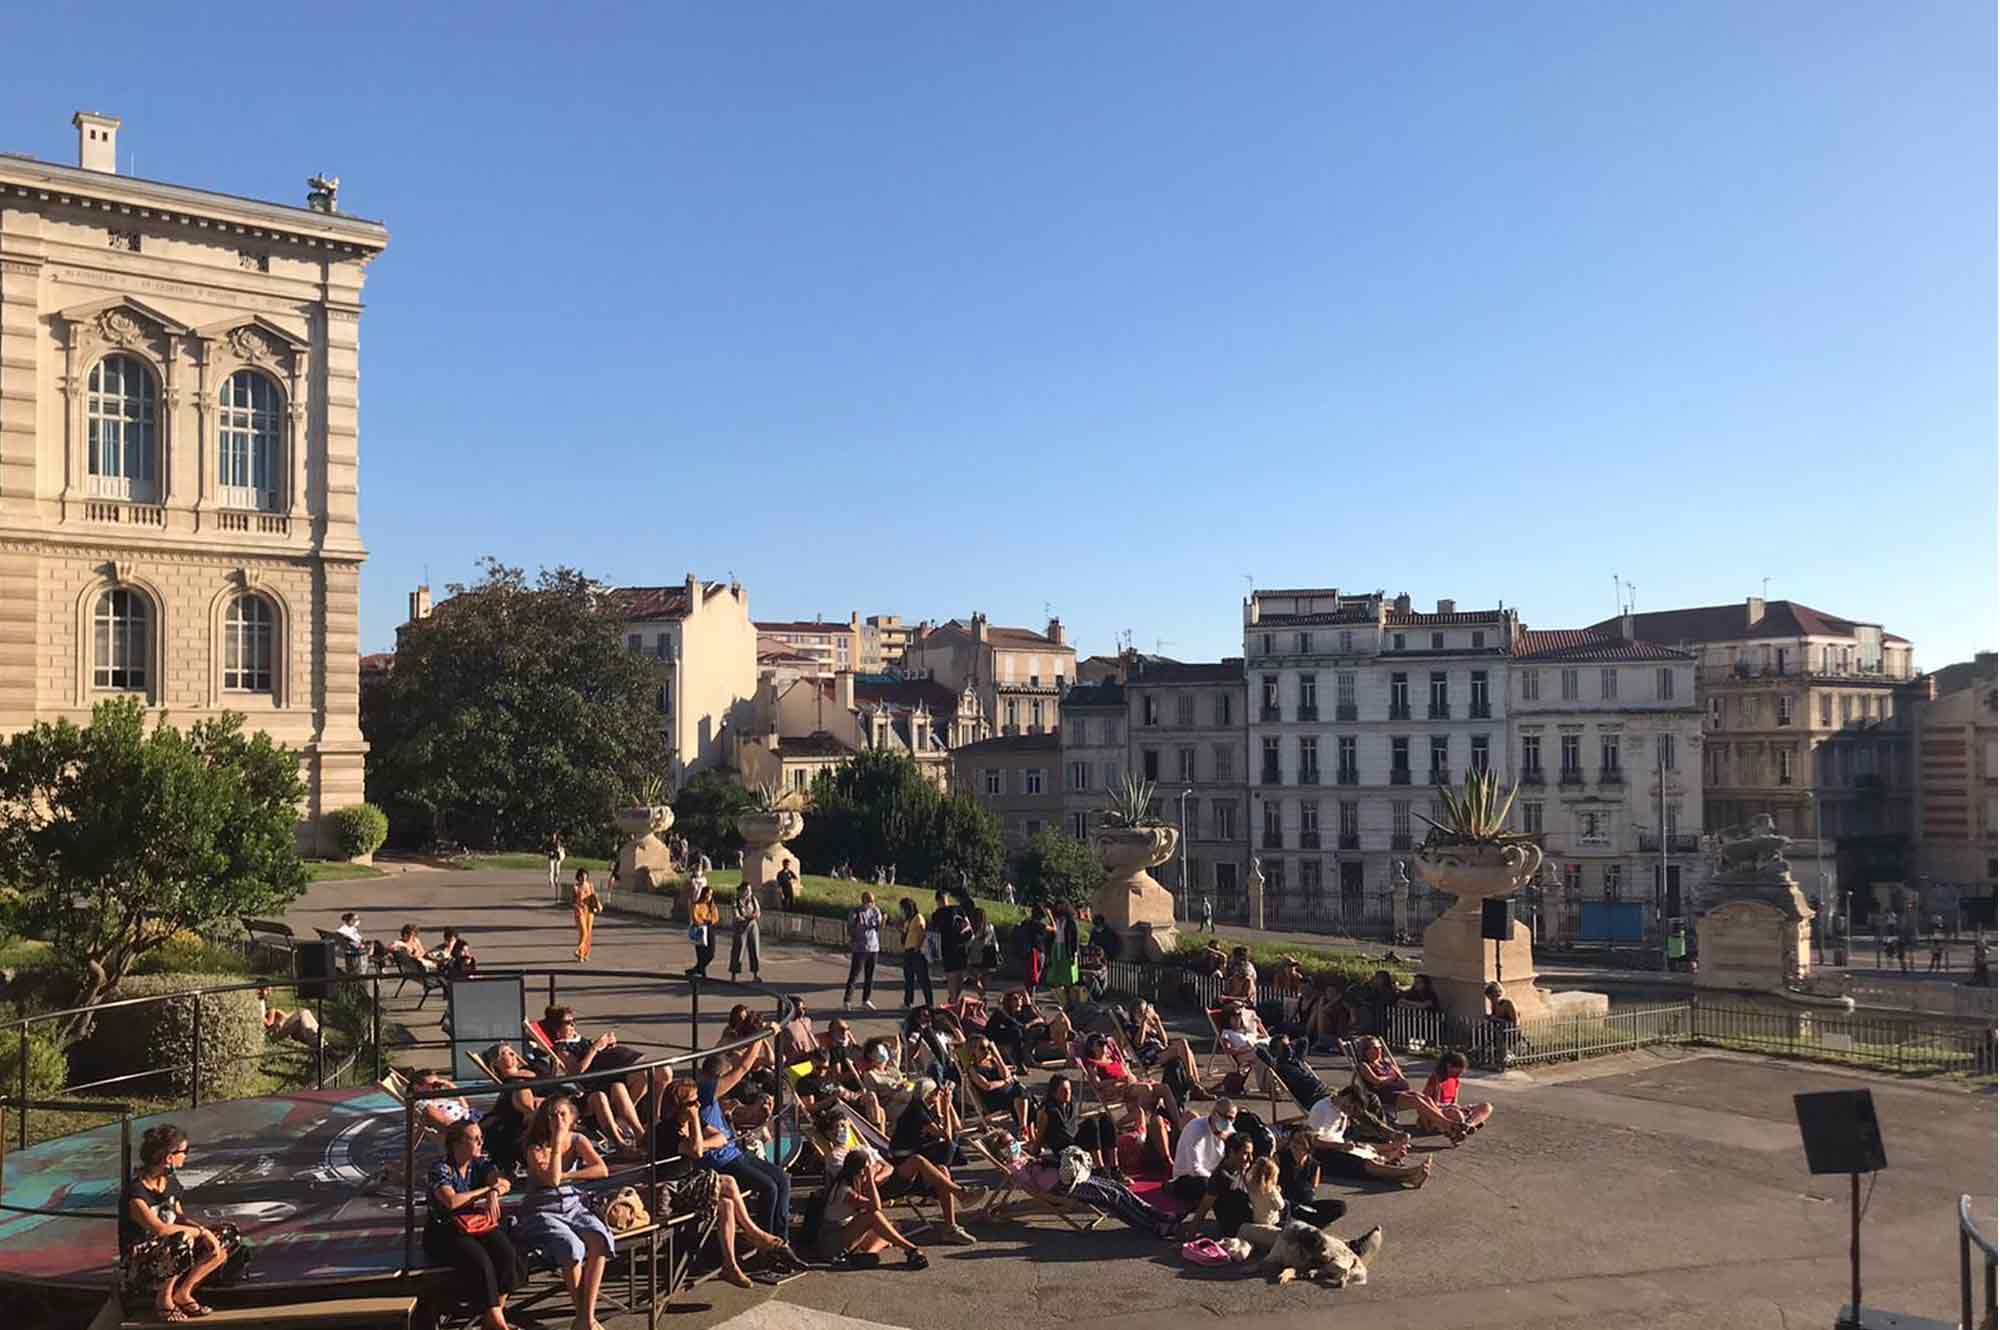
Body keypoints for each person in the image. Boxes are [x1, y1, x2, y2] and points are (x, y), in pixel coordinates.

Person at [656, 1079, 800, 1285]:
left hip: (690, 1185)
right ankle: (756, 1234)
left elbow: (720, 1138)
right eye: (692, 1103)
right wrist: (696, 1123)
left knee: (728, 1203)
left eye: (697, 1102)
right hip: (673, 1191)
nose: (697, 1106)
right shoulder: (667, 1130)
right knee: (730, 1183)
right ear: (679, 1107)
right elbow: (696, 1152)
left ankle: (730, 1265)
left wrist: (701, 1137)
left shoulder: (690, 1124)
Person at [122, 1124, 242, 1321]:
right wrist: (201, 1233)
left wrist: (204, 1231)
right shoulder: (137, 1193)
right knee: (181, 1237)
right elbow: (160, 1229)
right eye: (184, 1151)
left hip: (168, 1251)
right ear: (169, 1157)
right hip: (140, 1262)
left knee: (227, 1234)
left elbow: (178, 1217)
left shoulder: (171, 1183)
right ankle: (163, 1299)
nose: (186, 1156)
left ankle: (183, 1292)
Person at [515, 1095, 614, 1330]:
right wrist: (557, 1141)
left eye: (563, 1114)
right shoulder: (535, 1147)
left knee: (599, 1237)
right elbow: (552, 1178)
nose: (558, 1119)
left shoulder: (578, 1139)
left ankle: (585, 1316)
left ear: (573, 1119)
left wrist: (571, 1176)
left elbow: (601, 1169)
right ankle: (584, 1318)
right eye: (553, 1115)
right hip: (542, 1208)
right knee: (571, 1246)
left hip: (572, 1202)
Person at [982, 1130, 1181, 1239]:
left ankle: (1156, 1213)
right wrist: (1052, 1200)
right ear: (1002, 1151)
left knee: (1117, 1188)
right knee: (1111, 1198)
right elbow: (1035, 1190)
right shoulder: (1015, 1169)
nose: (1015, 1144)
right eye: (1010, 1143)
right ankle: (1154, 1226)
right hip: (1063, 1186)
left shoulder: (1021, 1158)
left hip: (1071, 1175)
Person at [426, 1120, 521, 1330]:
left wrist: (494, 1192)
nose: (480, 1142)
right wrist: (485, 1191)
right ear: (457, 1144)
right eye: (474, 1138)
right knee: (481, 1261)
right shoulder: (441, 1168)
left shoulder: (480, 1163)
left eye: (481, 1138)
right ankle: (497, 1322)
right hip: (446, 1230)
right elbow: (451, 1201)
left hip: (476, 1224)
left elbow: (503, 1182)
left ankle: (494, 1316)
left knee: (507, 1254)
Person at [695, 1039, 793, 1240]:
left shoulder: (713, 1098)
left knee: (782, 1178)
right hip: (721, 1159)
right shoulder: (706, 1090)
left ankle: (781, 1239)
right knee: (769, 1187)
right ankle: (767, 1242)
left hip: (735, 1152)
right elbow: (743, 1067)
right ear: (719, 1077)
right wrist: (759, 1037)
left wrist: (731, 1116)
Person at [816, 1139, 929, 1269]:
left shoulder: (852, 1183)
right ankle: (911, 1249)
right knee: (873, 1216)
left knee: (893, 1226)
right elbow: (876, 1207)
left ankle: (866, 1254)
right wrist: (871, 1177)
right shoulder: (846, 1191)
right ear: (860, 1171)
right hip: (831, 1242)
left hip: (845, 1233)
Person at [1354, 1037, 1465, 1142]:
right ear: (1365, 1051)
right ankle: (1447, 1125)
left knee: (1425, 1098)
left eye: (1379, 1047)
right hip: (1385, 1097)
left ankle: (1447, 1127)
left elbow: (1399, 1077)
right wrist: (1392, 1077)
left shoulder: (1386, 1063)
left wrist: (1393, 1076)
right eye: (1373, 1048)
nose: (1377, 1050)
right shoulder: (1364, 1066)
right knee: (1416, 1101)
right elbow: (1377, 1081)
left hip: (1400, 1093)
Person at [1032, 1074, 1121, 1178]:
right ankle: (1099, 1169)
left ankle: (1115, 1168)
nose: (1068, 1093)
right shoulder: (1046, 1110)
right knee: (1090, 1124)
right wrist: (1033, 1154)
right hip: (1065, 1148)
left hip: (1075, 1139)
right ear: (1054, 1093)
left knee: (1106, 1120)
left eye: (1069, 1089)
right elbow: (1040, 1136)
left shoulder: (1071, 1103)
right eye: (1063, 1090)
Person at [1180, 1132, 1255, 1238]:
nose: (1250, 1158)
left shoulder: (1243, 1170)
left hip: (1253, 1222)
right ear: (1232, 1152)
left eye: (1251, 1154)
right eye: (1246, 1153)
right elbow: (1204, 1208)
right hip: (1240, 1231)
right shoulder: (1220, 1177)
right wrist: (1190, 1238)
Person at [1275, 1127, 1347, 1227]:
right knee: (1294, 1209)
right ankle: (1311, 1223)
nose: (1294, 1144)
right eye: (1293, 1140)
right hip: (1287, 1204)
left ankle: (1309, 1223)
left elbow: (1313, 1187)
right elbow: (1272, 1183)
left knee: (1341, 1207)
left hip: (1307, 1204)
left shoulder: (1314, 1165)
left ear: (1309, 1146)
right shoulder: (1280, 1158)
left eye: (1300, 1142)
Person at [1170, 1097, 1236, 1207]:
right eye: (1226, 1117)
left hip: (1214, 1175)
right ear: (1214, 1113)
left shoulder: (1230, 1131)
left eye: (1232, 1119)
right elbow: (1195, 1169)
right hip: (1188, 1177)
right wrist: (1217, 1181)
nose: (1228, 1122)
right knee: (1206, 1185)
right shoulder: (1196, 1129)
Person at [964, 1034, 1032, 1135]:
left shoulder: (993, 1061)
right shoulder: (973, 1068)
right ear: (973, 1050)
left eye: (989, 1047)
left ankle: (1025, 1129)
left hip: (1008, 1095)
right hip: (993, 1100)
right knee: (1020, 1093)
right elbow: (987, 1086)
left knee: (1025, 1096)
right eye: (982, 1048)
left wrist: (997, 1055)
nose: (987, 1050)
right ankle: (1026, 1131)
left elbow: (1006, 1074)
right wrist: (1004, 1082)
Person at [1423, 1050, 1493, 1132]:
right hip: (1438, 1113)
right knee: (1457, 1114)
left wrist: (1459, 1108)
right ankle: (1462, 1126)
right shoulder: (1436, 1079)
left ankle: (1469, 1125)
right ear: (1449, 1066)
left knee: (1487, 1106)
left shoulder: (1456, 1081)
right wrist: (1450, 1107)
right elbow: (1426, 1104)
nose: (1459, 1075)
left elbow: (1454, 1102)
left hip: (1452, 1111)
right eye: (1458, 1071)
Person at [843, 891, 883, 1011]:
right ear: (864, 901)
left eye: (873, 901)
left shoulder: (876, 911)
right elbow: (850, 928)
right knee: (854, 975)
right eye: (870, 901)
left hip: (873, 947)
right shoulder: (855, 912)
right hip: (860, 948)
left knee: (869, 976)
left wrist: (883, 920)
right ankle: (847, 1000)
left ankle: (866, 1000)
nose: (872, 904)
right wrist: (853, 939)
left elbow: (878, 926)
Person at [933, 890, 973, 1003]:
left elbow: (935, 931)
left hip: (948, 947)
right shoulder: (958, 910)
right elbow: (968, 925)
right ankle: (954, 999)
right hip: (960, 946)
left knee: (952, 976)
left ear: (937, 900)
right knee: (959, 975)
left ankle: (953, 999)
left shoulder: (937, 914)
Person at [898, 897, 933, 1010]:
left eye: (903, 908)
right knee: (908, 978)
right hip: (908, 950)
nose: (902, 911)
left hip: (916, 951)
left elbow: (922, 933)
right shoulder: (909, 920)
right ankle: (908, 1002)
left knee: (923, 979)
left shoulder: (918, 918)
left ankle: (929, 1003)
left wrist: (917, 948)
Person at [685, 874, 720, 978]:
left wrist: (709, 920)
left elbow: (715, 917)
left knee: (711, 954)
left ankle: (695, 970)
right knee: (701, 953)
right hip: (699, 929)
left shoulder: (712, 905)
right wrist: (703, 920)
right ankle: (702, 973)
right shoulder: (696, 905)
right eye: (708, 895)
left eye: (710, 895)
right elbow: (695, 918)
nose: (709, 897)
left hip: (709, 929)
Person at [1046, 905, 1082, 1005]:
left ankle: (1069, 998)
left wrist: (1074, 952)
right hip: (1056, 948)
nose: (1059, 917)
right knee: (1056, 974)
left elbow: (1075, 938)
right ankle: (1061, 998)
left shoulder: (1071, 922)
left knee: (1067, 975)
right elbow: (1050, 936)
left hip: (1066, 949)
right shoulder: (1055, 921)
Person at [729, 883, 762, 982]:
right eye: (747, 890)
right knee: (738, 950)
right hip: (740, 927)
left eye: (750, 890)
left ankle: (755, 974)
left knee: (754, 949)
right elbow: (737, 916)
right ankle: (733, 975)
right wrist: (747, 917)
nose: (749, 892)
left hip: (752, 925)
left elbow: (758, 912)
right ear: (741, 891)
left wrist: (753, 916)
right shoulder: (736, 900)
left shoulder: (753, 899)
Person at [571, 870, 600, 962]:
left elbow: (594, 897)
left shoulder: (590, 885)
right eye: (582, 876)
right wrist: (578, 905)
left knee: (589, 934)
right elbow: (572, 902)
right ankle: (579, 951)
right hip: (580, 912)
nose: (584, 878)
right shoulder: (576, 887)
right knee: (583, 932)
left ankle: (585, 954)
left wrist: (597, 905)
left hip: (590, 911)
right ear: (578, 877)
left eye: (585, 876)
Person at [546, 832, 566, 903]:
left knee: (557, 871)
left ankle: (556, 880)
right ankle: (551, 882)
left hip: (557, 859)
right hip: (551, 858)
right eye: (552, 836)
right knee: (551, 870)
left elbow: (562, 850)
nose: (553, 837)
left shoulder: (559, 843)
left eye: (554, 836)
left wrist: (561, 852)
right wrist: (549, 853)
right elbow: (547, 851)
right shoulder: (549, 843)